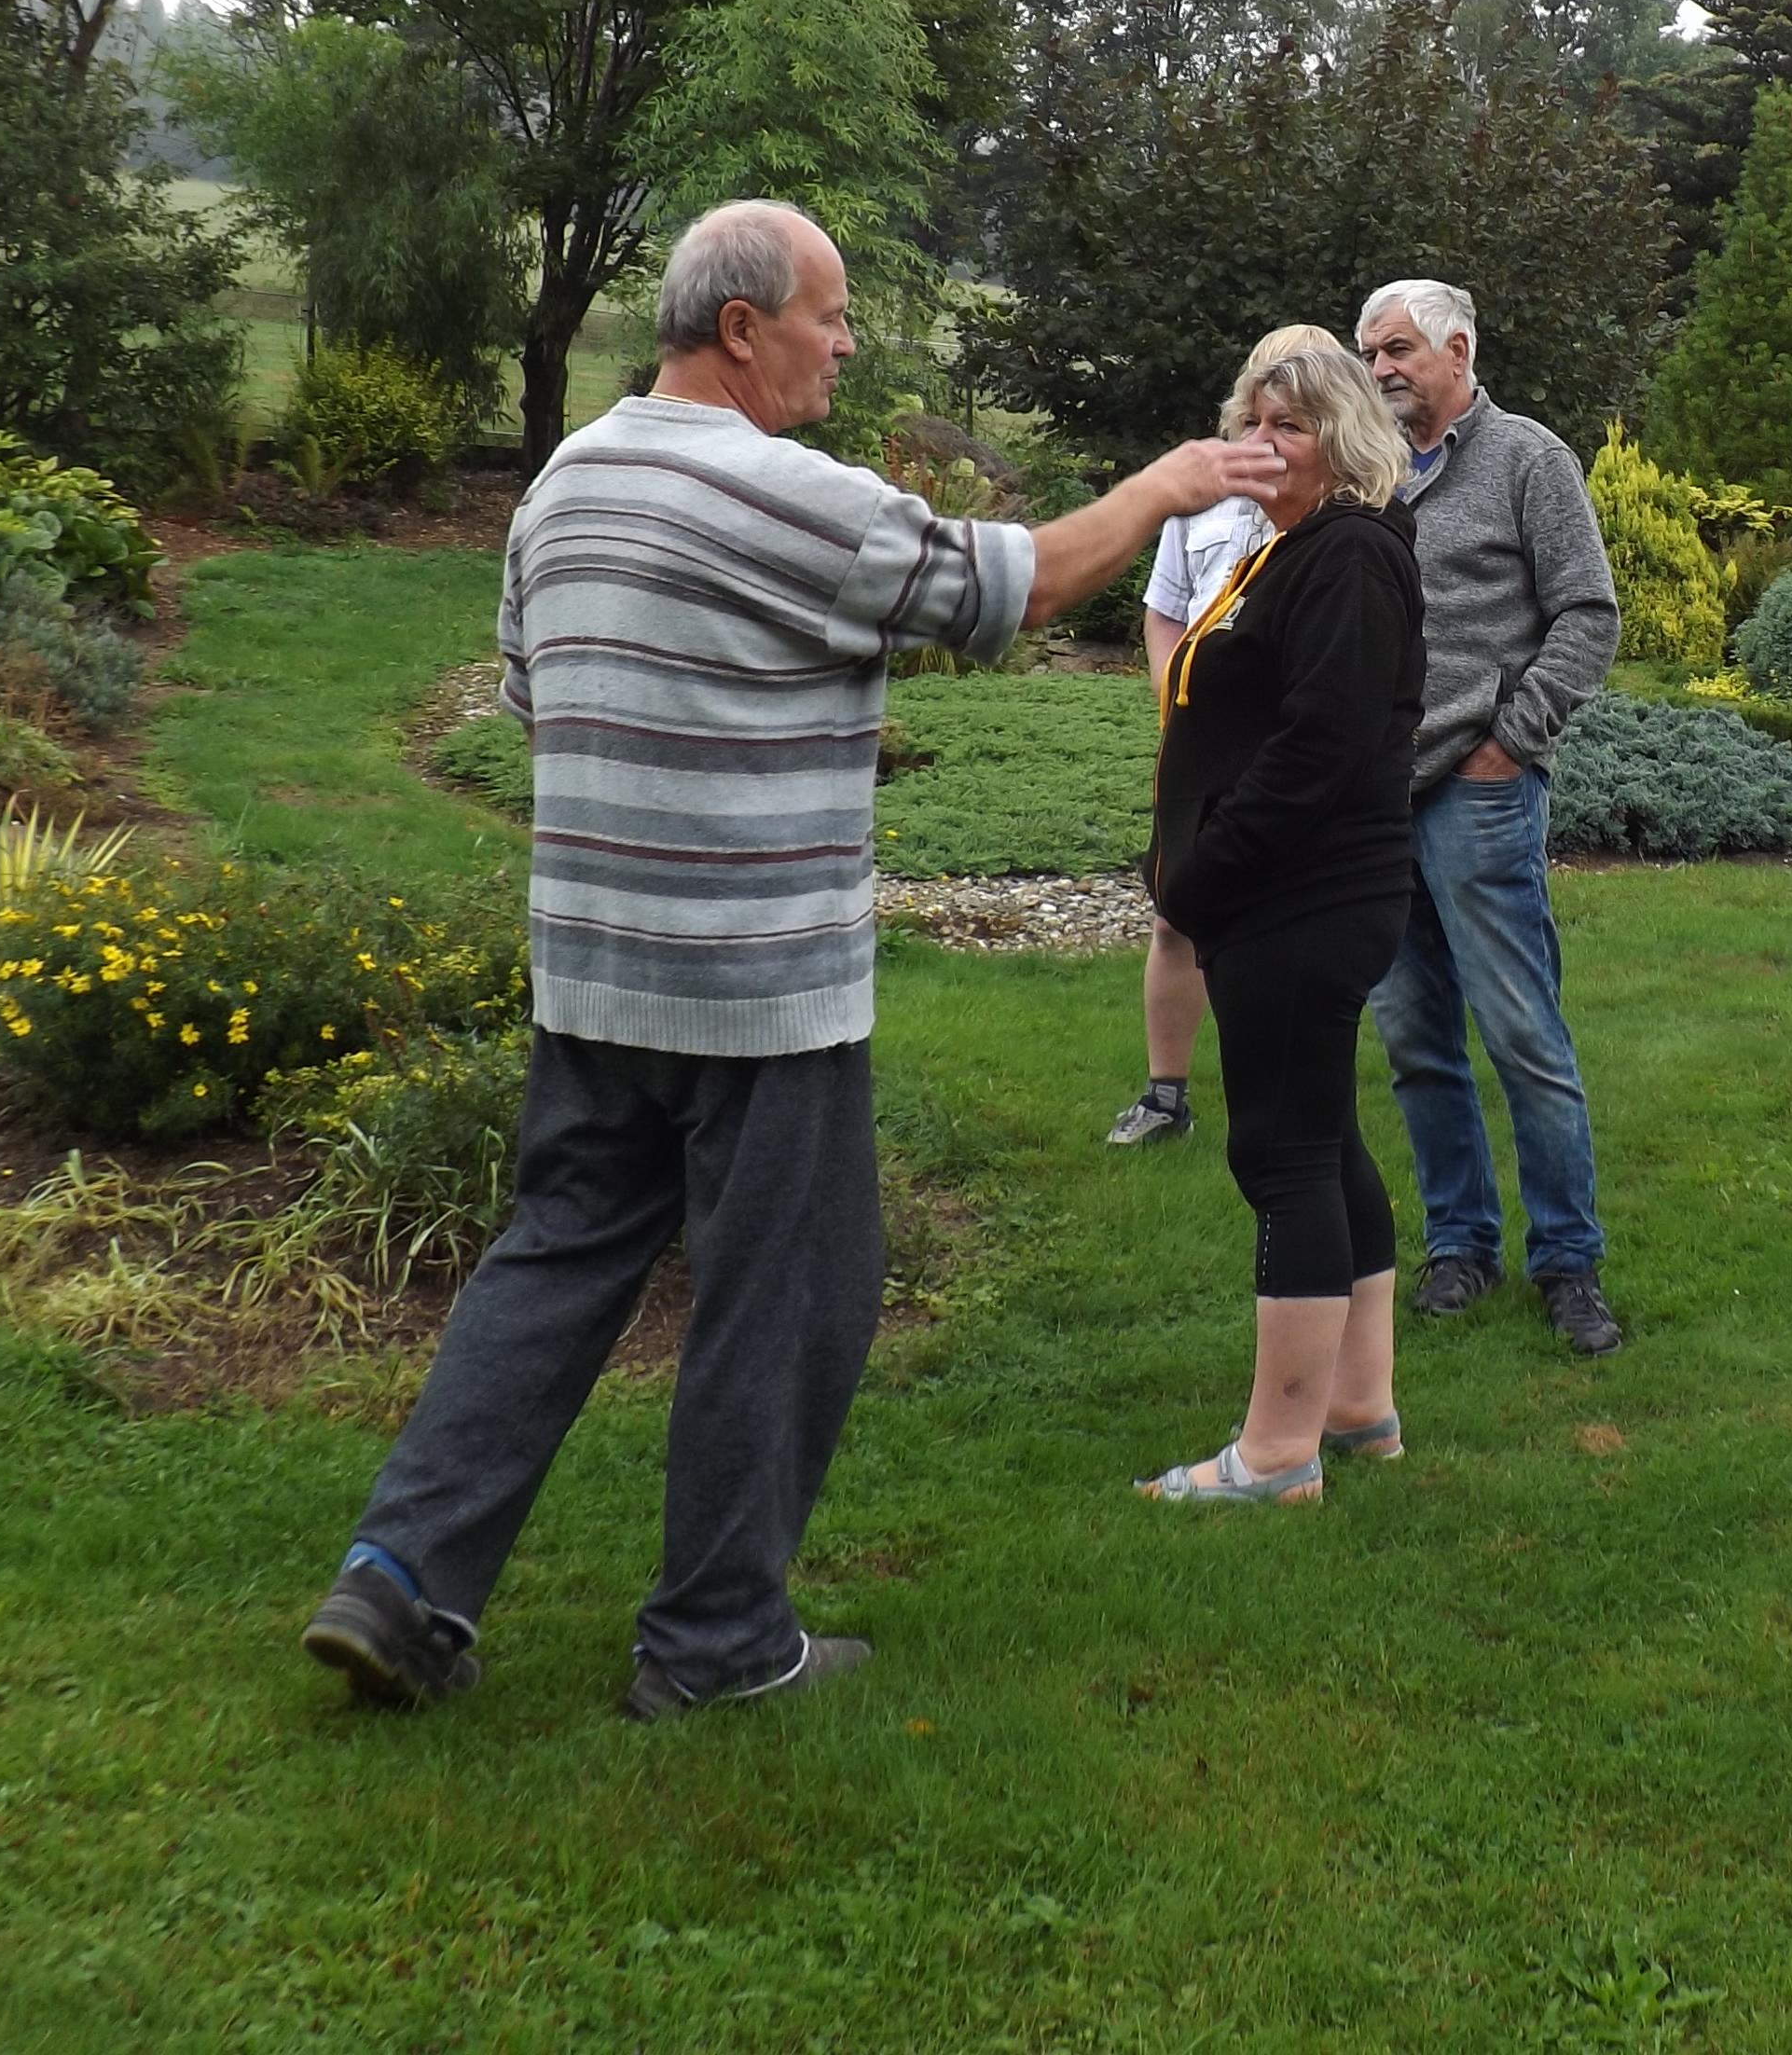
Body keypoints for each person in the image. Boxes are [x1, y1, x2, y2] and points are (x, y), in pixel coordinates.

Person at [298, 200, 1281, 1717]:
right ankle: (715, 1643)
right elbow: (1008, 588)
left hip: (593, 969)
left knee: (556, 1259)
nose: (847, 343)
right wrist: (1165, 485)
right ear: (741, 326)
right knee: (792, 1291)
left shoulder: (565, 481)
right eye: (830, 314)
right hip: (756, 989)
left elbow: (532, 700)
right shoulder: (783, 490)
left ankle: (399, 1577)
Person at [1137, 338, 1429, 1503]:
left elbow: (1321, 745)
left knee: (1282, 1150)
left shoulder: (1347, 552)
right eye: (1252, 424)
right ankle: (1358, 1409)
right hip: (1285, 894)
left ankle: (1275, 1455)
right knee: (1324, 1136)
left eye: (1289, 428)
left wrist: (1209, 869)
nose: (1262, 445)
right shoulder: (1290, 546)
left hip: (1301, 896)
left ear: (1342, 441)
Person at [1352, 277, 1628, 1356]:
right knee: (1415, 1039)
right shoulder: (1364, 469)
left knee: (1521, 1032)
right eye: (1369, 352)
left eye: (1397, 349)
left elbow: (1588, 614)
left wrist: (1510, 741)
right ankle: (1460, 1245)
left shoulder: (1528, 459)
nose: (1378, 368)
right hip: (1376, 799)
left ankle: (1567, 1261)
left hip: (1479, 790)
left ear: (1458, 349)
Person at [1108, 324, 1344, 1149]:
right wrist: (1179, 710)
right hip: (1200, 753)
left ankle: (1288, 1098)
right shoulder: (1201, 491)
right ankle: (1165, 1096)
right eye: (1256, 405)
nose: (1265, 430)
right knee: (1177, 913)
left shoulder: (1341, 508)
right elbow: (1165, 609)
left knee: (1289, 926)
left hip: (1288, 752)